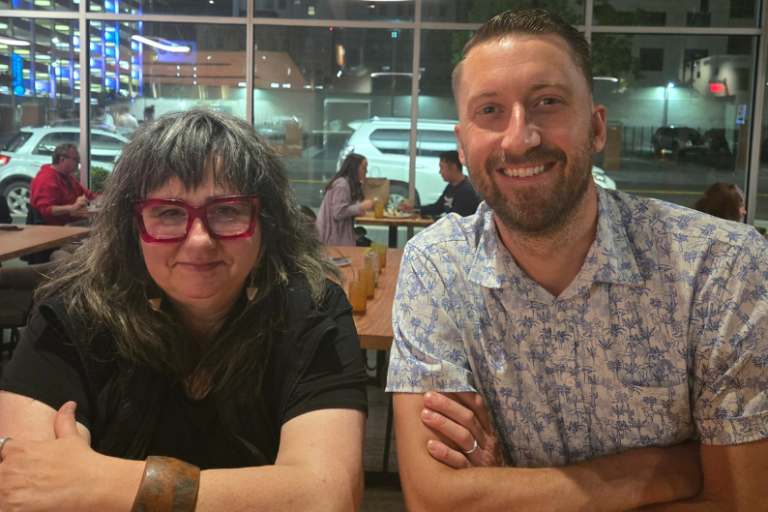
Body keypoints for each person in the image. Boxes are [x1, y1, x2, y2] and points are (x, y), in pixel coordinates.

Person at [387, 9, 768, 512]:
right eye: (490, 111)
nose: (519, 138)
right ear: (463, 143)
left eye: (547, 102)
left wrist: (507, 494)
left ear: (596, 127)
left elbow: (737, 503)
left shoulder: (720, 266)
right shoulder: (437, 266)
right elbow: (437, 501)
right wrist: (664, 469)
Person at [0, 109, 367, 512]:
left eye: (227, 210)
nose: (199, 241)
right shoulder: (73, 315)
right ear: (132, 226)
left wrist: (103, 482)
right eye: (169, 212)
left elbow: (327, 497)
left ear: (268, 222)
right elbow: (24, 489)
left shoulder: (313, 311)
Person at [29, 143, 97, 226]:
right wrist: (73, 207)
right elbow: (45, 209)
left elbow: (89, 196)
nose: (79, 162)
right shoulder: (45, 179)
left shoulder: (68, 177)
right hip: (56, 229)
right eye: (76, 159)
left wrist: (109, 200)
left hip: (71, 224)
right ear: (62, 160)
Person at [399, 151, 480, 217]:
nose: (440, 172)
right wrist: (413, 209)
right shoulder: (451, 186)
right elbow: (437, 208)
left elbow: (459, 223)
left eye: (441, 167)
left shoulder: (466, 191)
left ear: (453, 168)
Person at [316, 153, 374, 246]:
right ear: (355, 169)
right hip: (334, 237)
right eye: (364, 168)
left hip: (336, 233)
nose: (366, 171)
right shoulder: (342, 185)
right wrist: (360, 206)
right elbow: (338, 213)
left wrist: (356, 210)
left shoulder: (345, 183)